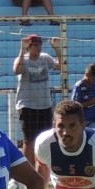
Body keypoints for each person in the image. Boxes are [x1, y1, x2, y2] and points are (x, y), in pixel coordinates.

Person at [13, 33, 61, 173]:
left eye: (40, 45)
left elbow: (61, 66)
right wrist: (22, 50)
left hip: (45, 105)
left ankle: (46, 168)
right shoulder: (24, 59)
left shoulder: (45, 58)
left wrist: (57, 49)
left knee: (48, 138)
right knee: (29, 141)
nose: (39, 48)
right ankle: (29, 170)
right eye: (36, 45)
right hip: (27, 106)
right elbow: (17, 70)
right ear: (29, 46)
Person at [70, 63, 95, 131]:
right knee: (94, 138)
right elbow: (74, 106)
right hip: (87, 121)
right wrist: (91, 102)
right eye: (94, 79)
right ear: (87, 74)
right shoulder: (79, 86)